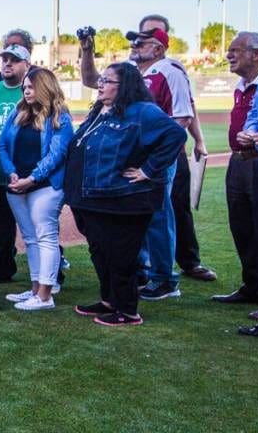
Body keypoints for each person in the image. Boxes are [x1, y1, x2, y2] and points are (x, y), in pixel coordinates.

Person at [66, 63, 186, 326]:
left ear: (126, 86)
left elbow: (175, 134)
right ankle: (109, 299)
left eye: (107, 81)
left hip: (124, 199)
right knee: (100, 252)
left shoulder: (142, 111)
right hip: (92, 197)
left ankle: (128, 310)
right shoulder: (102, 110)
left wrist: (148, 169)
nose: (100, 84)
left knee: (121, 255)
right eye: (102, 80)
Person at [136, 15, 215, 284]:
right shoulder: (133, 70)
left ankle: (175, 271)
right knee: (146, 211)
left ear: (160, 43)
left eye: (145, 38)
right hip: (143, 154)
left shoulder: (171, 71)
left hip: (164, 154)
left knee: (168, 211)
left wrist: (199, 141)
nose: (137, 42)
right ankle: (147, 270)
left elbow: (184, 114)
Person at [0, 68, 74, 310]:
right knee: (30, 239)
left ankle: (45, 296)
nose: (26, 91)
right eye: (25, 88)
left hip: (45, 186)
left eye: (30, 87)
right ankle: (34, 289)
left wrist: (31, 178)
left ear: (44, 87)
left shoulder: (60, 116)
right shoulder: (18, 112)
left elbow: (57, 154)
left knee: (46, 236)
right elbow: (1, 146)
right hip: (17, 184)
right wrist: (12, 173)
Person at [217, 32, 258, 308]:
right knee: (241, 226)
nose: (228, 55)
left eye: (236, 50)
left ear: (256, 54)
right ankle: (252, 286)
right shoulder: (242, 85)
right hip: (240, 160)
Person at [0, 43, 31, 282]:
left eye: (14, 60)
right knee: (0, 225)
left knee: (36, 227)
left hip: (26, 173)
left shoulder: (31, 92)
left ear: (27, 65)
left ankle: (49, 275)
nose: (7, 64)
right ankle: (0, 269)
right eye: (4, 60)